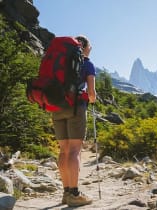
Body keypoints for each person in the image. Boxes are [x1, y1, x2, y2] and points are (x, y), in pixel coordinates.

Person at [52, 35, 96, 207]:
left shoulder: (61, 60)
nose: (90, 48)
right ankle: (75, 194)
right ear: (84, 47)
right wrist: (92, 98)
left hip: (56, 108)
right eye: (89, 46)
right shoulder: (87, 62)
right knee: (74, 151)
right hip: (75, 107)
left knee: (64, 150)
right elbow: (91, 94)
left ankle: (66, 192)